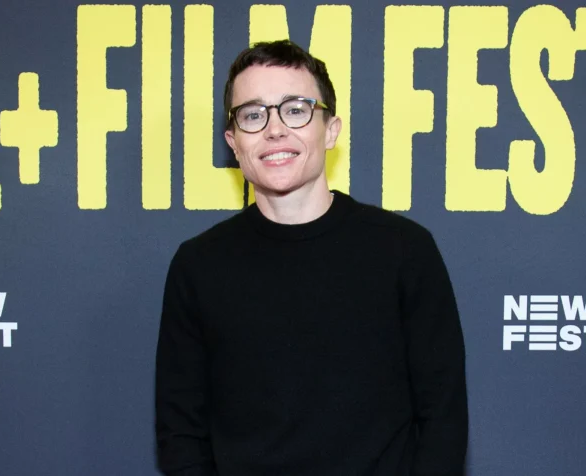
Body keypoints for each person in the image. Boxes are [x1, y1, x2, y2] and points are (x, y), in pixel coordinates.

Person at [155, 39, 468, 476]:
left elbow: (443, 417)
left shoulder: (404, 250)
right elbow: (180, 431)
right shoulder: (198, 266)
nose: (275, 129)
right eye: (253, 115)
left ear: (331, 129)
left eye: (296, 109)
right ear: (234, 142)